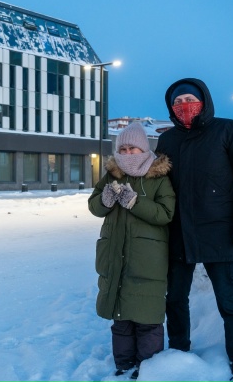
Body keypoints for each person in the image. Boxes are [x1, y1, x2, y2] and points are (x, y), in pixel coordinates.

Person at [155, 78, 233, 382]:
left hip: (222, 231)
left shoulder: (228, 130)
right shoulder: (167, 141)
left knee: (231, 302)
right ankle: (179, 352)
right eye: (177, 102)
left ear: (204, 100)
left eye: (190, 99)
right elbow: (158, 185)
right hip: (179, 233)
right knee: (175, 300)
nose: (184, 106)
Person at [88, 122, 176, 379]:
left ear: (144, 149)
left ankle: (148, 368)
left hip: (147, 261)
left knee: (148, 320)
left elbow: (166, 213)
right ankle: (123, 365)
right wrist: (104, 201)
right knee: (122, 319)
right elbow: (94, 206)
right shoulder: (111, 175)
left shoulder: (159, 177)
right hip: (115, 256)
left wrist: (136, 203)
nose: (127, 154)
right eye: (123, 149)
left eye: (132, 148)